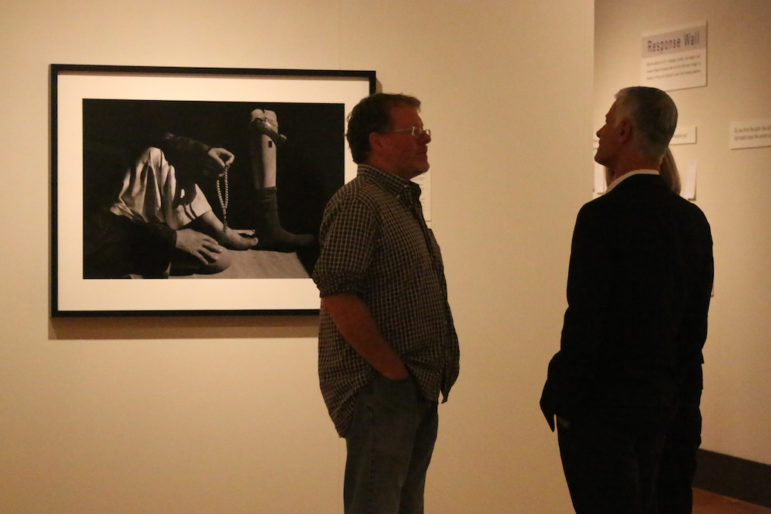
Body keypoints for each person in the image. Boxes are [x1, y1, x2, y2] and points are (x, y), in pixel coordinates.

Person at [539, 86, 714, 513]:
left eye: (606, 120)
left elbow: (586, 319)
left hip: (604, 413)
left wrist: (562, 396)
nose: (599, 131)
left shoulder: (601, 217)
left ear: (623, 129)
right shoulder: (691, 221)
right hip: (666, 407)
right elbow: (693, 331)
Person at [312, 93, 460, 514]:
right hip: (382, 390)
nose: (425, 136)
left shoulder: (396, 202)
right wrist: (393, 372)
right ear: (377, 141)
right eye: (413, 130)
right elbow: (338, 294)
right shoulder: (360, 203)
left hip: (409, 388)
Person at [85, 132, 258, 278]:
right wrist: (172, 238)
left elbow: (144, 135)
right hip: (101, 238)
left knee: (154, 154)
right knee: (220, 259)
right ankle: (143, 260)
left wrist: (203, 152)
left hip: (117, 215)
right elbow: (91, 229)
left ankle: (220, 231)